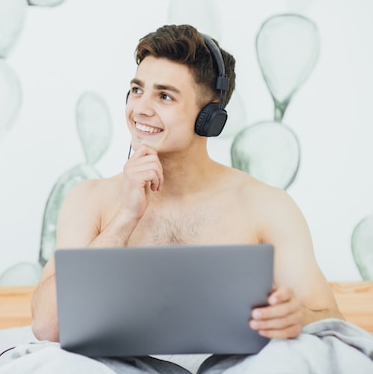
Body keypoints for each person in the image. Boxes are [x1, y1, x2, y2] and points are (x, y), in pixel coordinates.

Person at [31, 24, 343, 344]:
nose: (140, 109)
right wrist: (125, 217)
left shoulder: (266, 206)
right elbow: (47, 328)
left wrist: (296, 317)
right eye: (137, 90)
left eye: (164, 96)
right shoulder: (88, 200)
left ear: (209, 117)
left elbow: (330, 320)